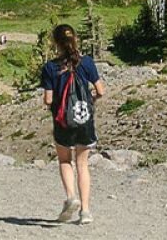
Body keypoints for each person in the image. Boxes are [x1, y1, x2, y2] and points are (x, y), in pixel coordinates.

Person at [41, 24, 105, 225]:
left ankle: (71, 197)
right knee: (82, 163)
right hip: (84, 119)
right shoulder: (86, 62)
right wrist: (90, 102)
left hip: (63, 121)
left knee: (64, 161)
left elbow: (48, 100)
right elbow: (101, 90)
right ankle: (85, 212)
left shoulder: (50, 67)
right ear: (75, 39)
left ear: (55, 43)